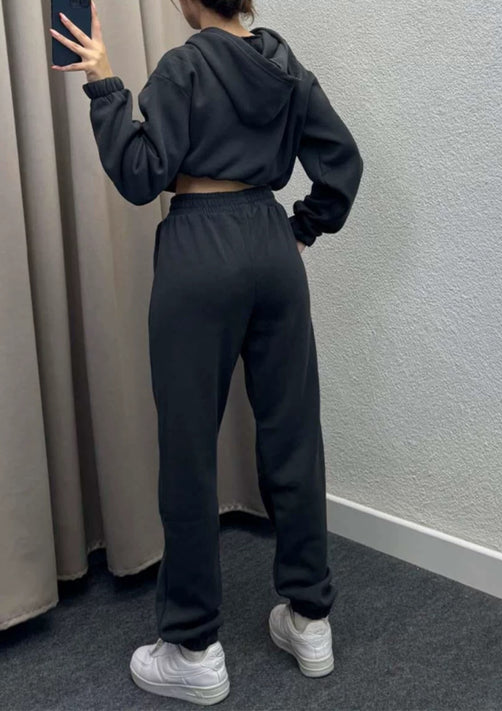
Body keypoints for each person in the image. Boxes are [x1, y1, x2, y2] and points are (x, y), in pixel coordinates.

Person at [51, 0, 363, 704]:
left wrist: (104, 83)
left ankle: (193, 646)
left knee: (189, 450)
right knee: (292, 436)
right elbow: (343, 163)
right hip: (269, 245)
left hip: (200, 244)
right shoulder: (284, 63)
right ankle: (310, 620)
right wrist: (301, 229)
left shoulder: (183, 67)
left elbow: (141, 176)